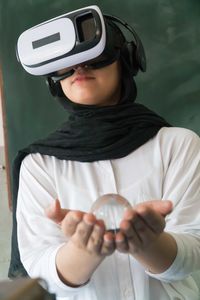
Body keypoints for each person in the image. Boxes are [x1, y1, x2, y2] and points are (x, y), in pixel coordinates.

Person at [8, 5, 200, 300]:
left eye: (94, 56)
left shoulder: (179, 146)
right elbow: (40, 272)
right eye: (65, 63)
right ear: (53, 80)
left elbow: (194, 252)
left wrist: (149, 244)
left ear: (126, 60)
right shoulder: (39, 164)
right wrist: (82, 251)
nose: (80, 67)